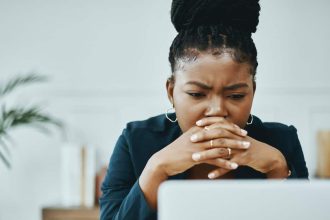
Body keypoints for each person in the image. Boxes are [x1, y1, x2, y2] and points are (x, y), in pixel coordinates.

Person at [100, 0, 309, 219]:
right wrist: (157, 169)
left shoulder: (282, 142)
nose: (217, 111)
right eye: (197, 94)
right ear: (171, 91)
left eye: (236, 96)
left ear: (253, 93)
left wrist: (276, 167)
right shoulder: (135, 142)